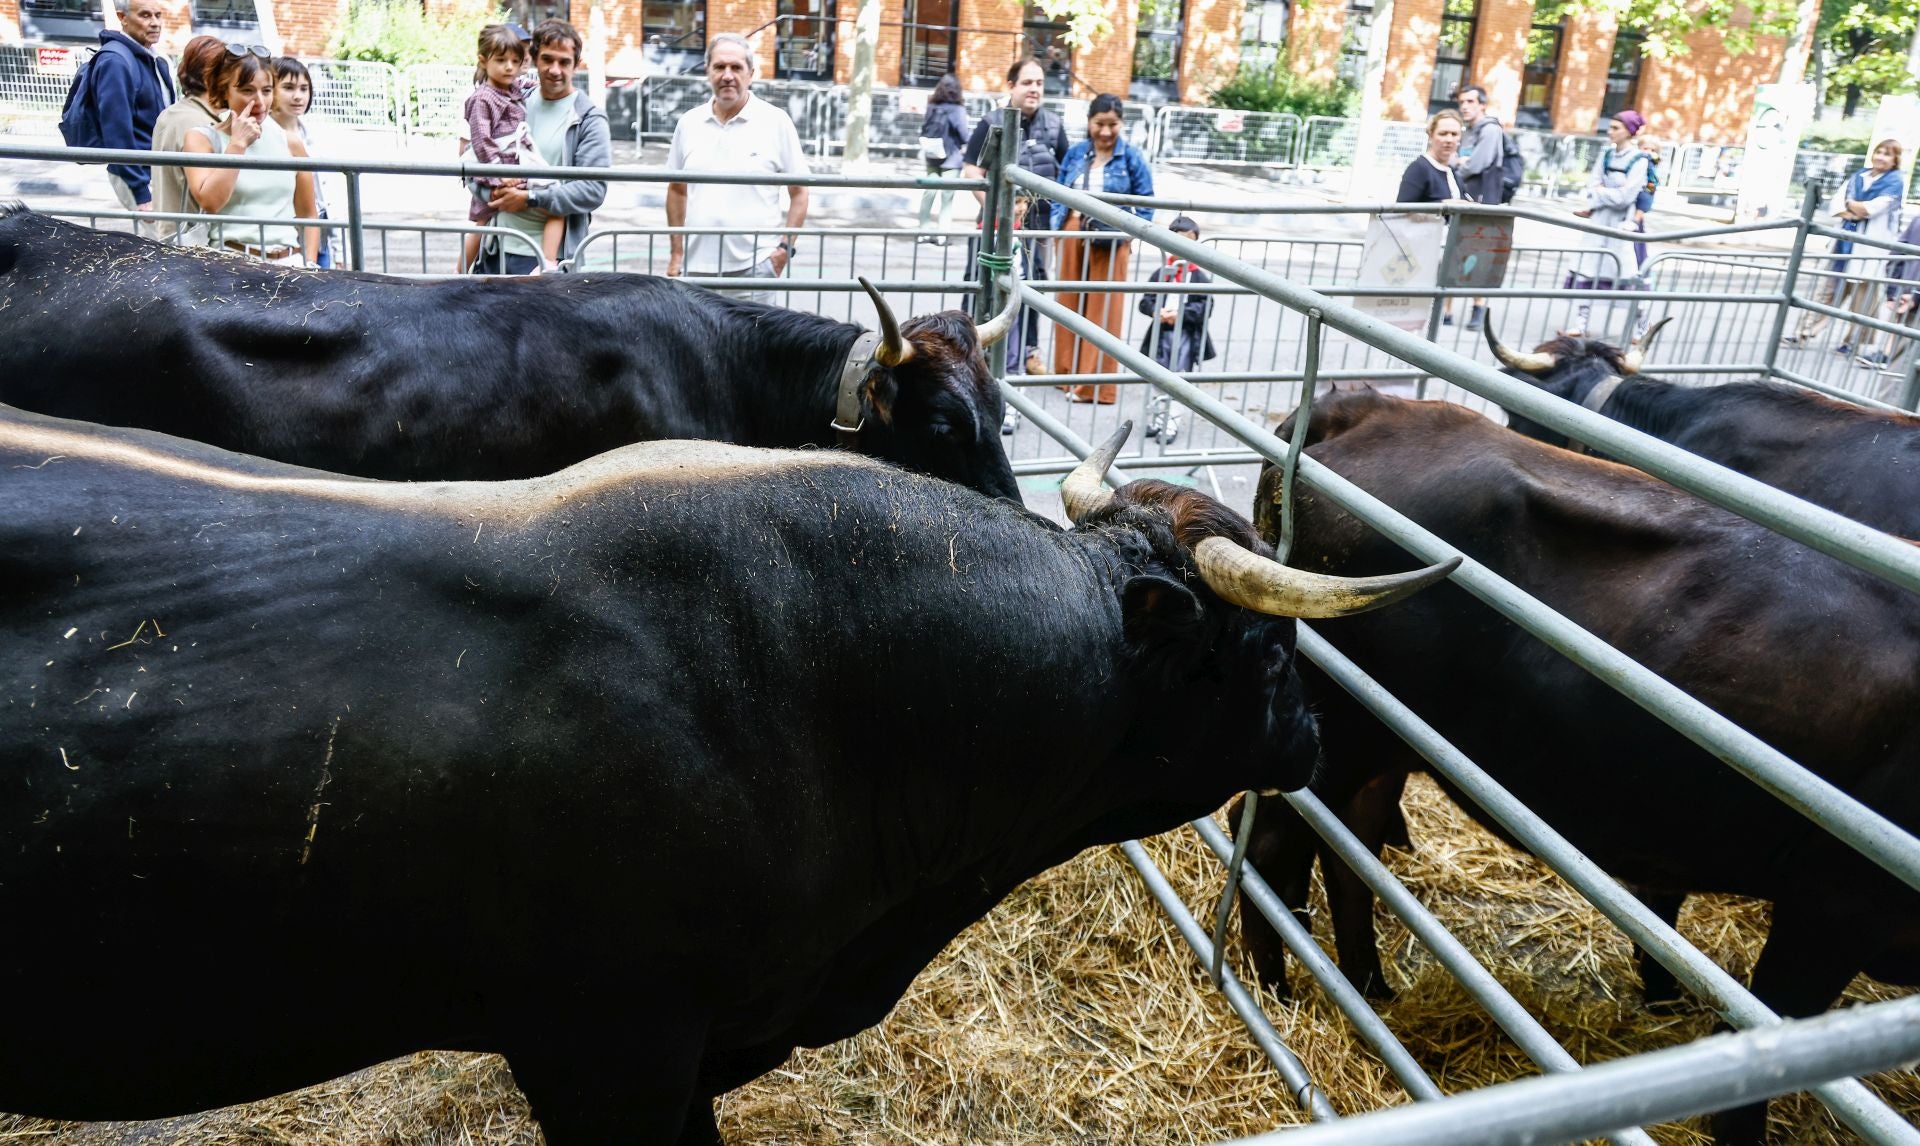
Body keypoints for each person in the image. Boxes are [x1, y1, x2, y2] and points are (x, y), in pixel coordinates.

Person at [665, 32, 810, 303]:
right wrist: (677, 253)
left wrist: (783, 250)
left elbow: (800, 192)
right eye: (719, 67)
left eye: (736, 67)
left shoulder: (775, 122)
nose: (727, 76)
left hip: (756, 270)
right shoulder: (689, 123)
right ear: (708, 70)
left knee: (757, 335)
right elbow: (676, 190)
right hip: (696, 272)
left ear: (750, 74)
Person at [465, 19, 610, 276]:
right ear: (533, 59)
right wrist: (494, 193)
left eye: (564, 62)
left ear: (576, 64)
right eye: (547, 59)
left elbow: (592, 190)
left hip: (545, 261)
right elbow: (474, 158)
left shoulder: (589, 118)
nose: (555, 70)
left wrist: (530, 199)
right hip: (495, 247)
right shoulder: (512, 99)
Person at [962, 56, 1068, 380]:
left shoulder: (1054, 125)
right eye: (1027, 82)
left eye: (1039, 83)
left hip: (1036, 228)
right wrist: (998, 209)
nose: (1034, 89)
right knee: (980, 284)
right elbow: (971, 171)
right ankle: (967, 350)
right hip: (993, 227)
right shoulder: (991, 122)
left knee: (1032, 287)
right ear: (1011, 86)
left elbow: (1067, 172)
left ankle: (1029, 351)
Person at [1051, 93, 1154, 404]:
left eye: (1113, 124)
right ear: (1089, 122)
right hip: (1073, 231)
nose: (1106, 131)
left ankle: (1093, 386)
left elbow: (1147, 202)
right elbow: (1057, 192)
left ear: (1121, 123)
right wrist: (1057, 230)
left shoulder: (1131, 157)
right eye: (1099, 124)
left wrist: (1129, 235)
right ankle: (1066, 375)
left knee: (1103, 310)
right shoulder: (1076, 153)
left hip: (1111, 237)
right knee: (1067, 303)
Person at [181, 46, 320, 267]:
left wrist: (310, 263)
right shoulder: (202, 138)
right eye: (247, 90)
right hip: (233, 263)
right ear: (224, 91)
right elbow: (210, 202)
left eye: (267, 90)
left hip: (289, 263)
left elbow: (309, 214)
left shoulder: (290, 142)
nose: (259, 101)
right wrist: (237, 145)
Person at [462, 25, 566, 274]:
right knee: (557, 202)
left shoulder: (511, 89)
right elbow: (482, 140)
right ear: (483, 61)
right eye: (501, 61)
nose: (509, 67)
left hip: (511, 163)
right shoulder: (482, 98)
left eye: (515, 61)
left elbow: (526, 85)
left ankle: (459, 272)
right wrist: (499, 174)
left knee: (483, 219)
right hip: (501, 166)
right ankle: (548, 264)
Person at [1786, 139, 1906, 353]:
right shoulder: (1858, 176)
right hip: (1843, 245)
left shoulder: (1895, 182)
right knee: (1826, 292)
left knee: (1862, 300)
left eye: (1887, 154)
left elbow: (1872, 209)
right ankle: (1803, 332)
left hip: (1868, 250)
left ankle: (1852, 343)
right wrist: (1852, 210)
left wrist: (1852, 205)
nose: (1880, 157)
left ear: (1895, 160)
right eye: (1878, 152)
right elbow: (1836, 203)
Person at [1563, 109, 1652, 337]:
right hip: (1600, 220)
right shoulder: (1606, 155)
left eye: (1616, 128)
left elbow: (1626, 197)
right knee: (1588, 268)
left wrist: (1602, 192)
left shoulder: (1639, 160)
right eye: (1610, 127)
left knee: (1630, 273)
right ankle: (1581, 323)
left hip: (1623, 224)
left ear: (1629, 131)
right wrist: (1605, 193)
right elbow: (1593, 185)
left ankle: (1642, 326)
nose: (1610, 131)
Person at [92, 0, 175, 222]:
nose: (155, 23)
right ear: (123, 18)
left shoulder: (150, 56)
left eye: (158, 15)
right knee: (160, 239)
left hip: (155, 170)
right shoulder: (116, 61)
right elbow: (116, 131)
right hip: (140, 176)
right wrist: (141, 192)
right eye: (145, 15)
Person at [149, 34, 225, 244]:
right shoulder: (202, 124)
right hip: (194, 241)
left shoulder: (170, 114)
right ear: (212, 77)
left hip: (169, 233)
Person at [269, 56, 339, 269]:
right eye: (288, 88)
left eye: (304, 88)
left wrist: (339, 251)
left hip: (320, 234)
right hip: (282, 238)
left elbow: (331, 196)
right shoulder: (263, 135)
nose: (298, 96)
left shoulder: (317, 136)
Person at [1450, 85, 1503, 332]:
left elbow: (1476, 165)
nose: (1464, 106)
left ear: (1482, 104)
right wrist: (1460, 162)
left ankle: (1478, 309)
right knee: (1455, 252)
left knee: (1479, 255)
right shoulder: (1467, 131)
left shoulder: (1490, 130)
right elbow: (1454, 159)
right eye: (1462, 102)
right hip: (1465, 198)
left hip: (1483, 203)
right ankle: (1446, 309)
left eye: (1470, 101)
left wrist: (1460, 164)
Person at [1853, 211, 1920, 373]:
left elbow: (1896, 256)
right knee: (1902, 367)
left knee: (1900, 368)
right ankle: (1887, 355)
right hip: (1911, 296)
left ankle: (1887, 355)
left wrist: (1895, 292)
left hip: (1909, 293)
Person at [915, 73, 969, 245]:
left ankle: (923, 232)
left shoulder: (932, 106)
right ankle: (942, 235)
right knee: (947, 198)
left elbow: (924, 128)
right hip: (952, 159)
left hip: (932, 155)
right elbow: (964, 135)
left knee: (928, 193)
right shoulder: (958, 110)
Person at [1399, 109, 1464, 205]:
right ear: (1430, 136)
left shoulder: (1452, 171)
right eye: (1443, 134)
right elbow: (1402, 209)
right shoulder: (1419, 168)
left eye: (1454, 134)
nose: (1449, 140)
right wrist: (1443, 205)